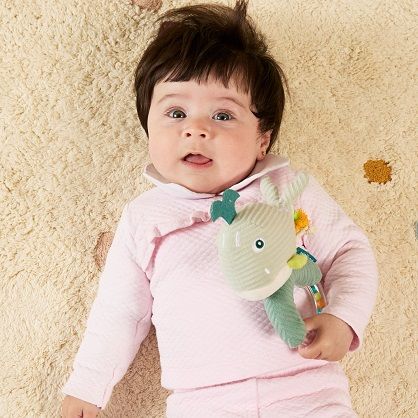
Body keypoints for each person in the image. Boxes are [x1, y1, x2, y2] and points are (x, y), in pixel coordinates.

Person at [61, 1, 378, 417]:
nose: (196, 129)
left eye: (223, 115)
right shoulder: (145, 218)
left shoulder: (286, 191)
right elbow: (120, 312)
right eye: (176, 112)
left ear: (262, 139)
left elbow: (350, 252)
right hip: (203, 402)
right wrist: (88, 386)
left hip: (307, 389)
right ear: (148, 129)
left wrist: (344, 317)